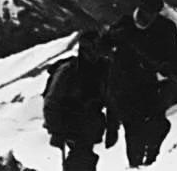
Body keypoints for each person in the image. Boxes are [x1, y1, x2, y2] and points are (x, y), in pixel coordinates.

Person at [106, 0, 177, 167]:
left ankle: (150, 161)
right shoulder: (124, 25)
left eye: (152, 12)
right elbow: (102, 47)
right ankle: (137, 166)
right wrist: (112, 38)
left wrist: (170, 67)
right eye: (145, 10)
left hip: (149, 88)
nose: (147, 16)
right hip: (124, 89)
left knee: (158, 127)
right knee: (134, 134)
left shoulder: (165, 29)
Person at [42, 30, 119, 170]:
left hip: (90, 124)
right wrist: (56, 130)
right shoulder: (68, 71)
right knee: (82, 159)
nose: (97, 53)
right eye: (93, 48)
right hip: (70, 124)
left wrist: (113, 127)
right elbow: (51, 102)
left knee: (84, 159)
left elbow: (112, 99)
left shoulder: (104, 69)